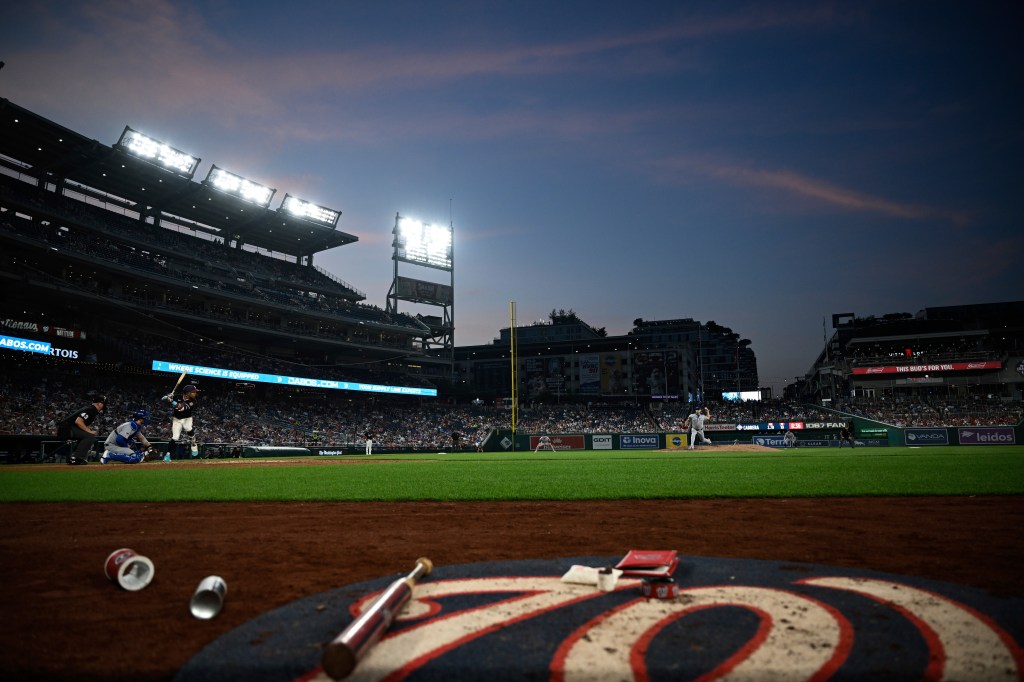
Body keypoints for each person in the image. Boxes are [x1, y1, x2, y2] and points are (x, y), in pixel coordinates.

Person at [56, 394, 106, 465]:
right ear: (99, 404)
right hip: (66, 429)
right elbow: (78, 421)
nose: (104, 406)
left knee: (87, 436)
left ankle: (77, 458)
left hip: (67, 427)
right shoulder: (91, 409)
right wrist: (89, 431)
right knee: (90, 437)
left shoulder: (90, 409)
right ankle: (76, 458)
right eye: (104, 404)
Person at [162, 384, 200, 461]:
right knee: (175, 437)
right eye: (193, 392)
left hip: (187, 419)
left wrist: (171, 401)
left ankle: (193, 443)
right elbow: (162, 399)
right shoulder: (177, 397)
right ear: (188, 393)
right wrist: (168, 396)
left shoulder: (193, 401)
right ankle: (167, 455)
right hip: (177, 419)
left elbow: (180, 407)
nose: (195, 393)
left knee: (188, 428)